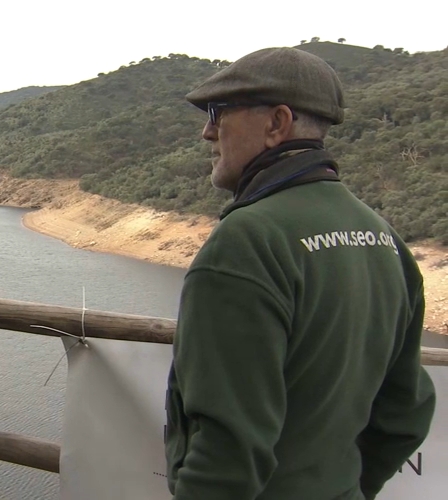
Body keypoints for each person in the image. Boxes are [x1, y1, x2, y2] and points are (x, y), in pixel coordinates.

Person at [164, 47, 436, 500]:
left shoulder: (246, 241)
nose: (207, 132)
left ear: (277, 124)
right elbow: (405, 416)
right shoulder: (382, 236)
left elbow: (227, 454)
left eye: (218, 113)